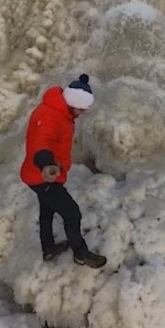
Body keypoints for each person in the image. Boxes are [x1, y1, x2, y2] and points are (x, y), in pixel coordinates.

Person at [21, 75, 107, 268]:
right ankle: (81, 253)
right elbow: (40, 144)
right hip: (42, 176)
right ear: (73, 103)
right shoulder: (50, 117)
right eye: (82, 109)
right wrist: (46, 164)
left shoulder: (61, 110)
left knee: (47, 211)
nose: (83, 112)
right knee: (72, 214)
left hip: (45, 173)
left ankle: (48, 248)